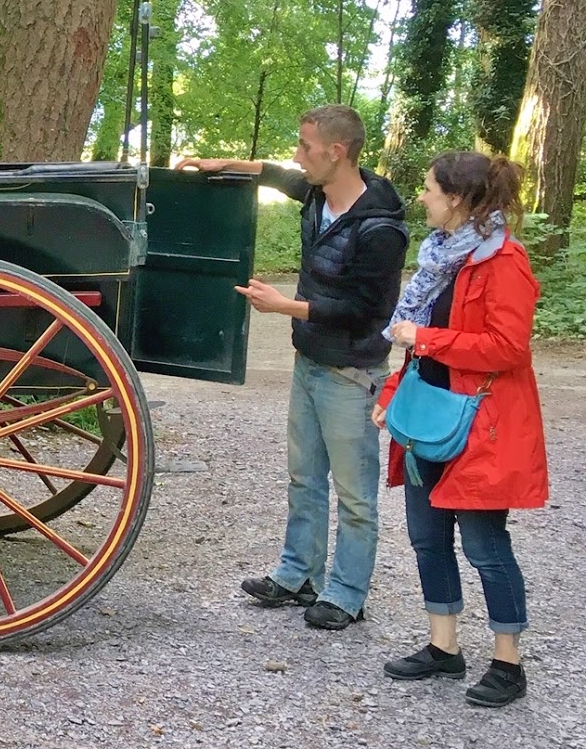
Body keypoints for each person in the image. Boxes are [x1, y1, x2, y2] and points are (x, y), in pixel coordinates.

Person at [178, 104, 407, 630]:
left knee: (354, 494)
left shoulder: (380, 231)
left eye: (306, 147)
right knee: (304, 479)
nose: (299, 157)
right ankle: (299, 574)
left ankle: (346, 594)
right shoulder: (316, 192)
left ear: (337, 152)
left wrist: (285, 306)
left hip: (352, 373)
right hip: (310, 362)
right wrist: (222, 164)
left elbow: (368, 312)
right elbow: (276, 174)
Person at [373, 151, 547, 708]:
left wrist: (425, 340)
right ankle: (443, 647)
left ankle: (508, 663)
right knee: (427, 537)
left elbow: (508, 348)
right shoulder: (439, 258)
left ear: (457, 198)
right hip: (429, 415)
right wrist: (393, 394)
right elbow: (417, 342)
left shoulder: (504, 260)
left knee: (484, 545)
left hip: (482, 425)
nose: (421, 196)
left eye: (429, 188)